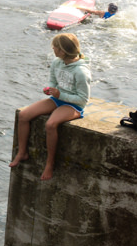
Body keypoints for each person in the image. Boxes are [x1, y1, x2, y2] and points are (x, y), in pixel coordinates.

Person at [10, 33, 91, 180]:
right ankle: (22, 152)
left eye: (55, 47)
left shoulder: (81, 72)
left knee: (51, 124)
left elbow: (83, 99)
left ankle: (49, 164)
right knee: (23, 115)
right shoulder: (57, 62)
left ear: (63, 51)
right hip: (57, 98)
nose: (52, 48)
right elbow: (53, 81)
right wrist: (50, 89)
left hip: (73, 105)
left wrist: (61, 96)